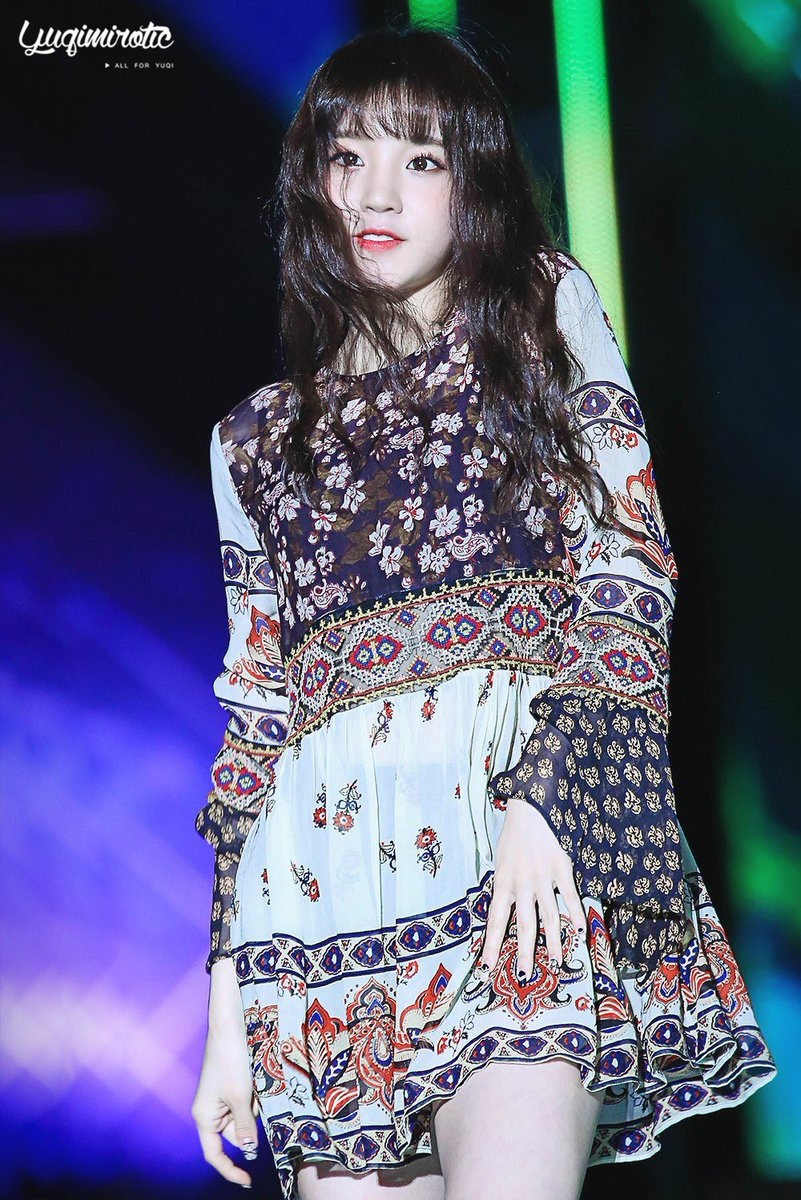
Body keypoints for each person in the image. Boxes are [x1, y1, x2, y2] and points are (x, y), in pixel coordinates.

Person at [190, 24, 776, 1200]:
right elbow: (257, 718)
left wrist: (553, 803)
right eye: (347, 157)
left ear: (475, 180)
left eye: (420, 160)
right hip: (323, 934)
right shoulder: (251, 442)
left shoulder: (539, 317)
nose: (376, 192)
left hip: (524, 868)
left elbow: (628, 565)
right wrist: (227, 1010)